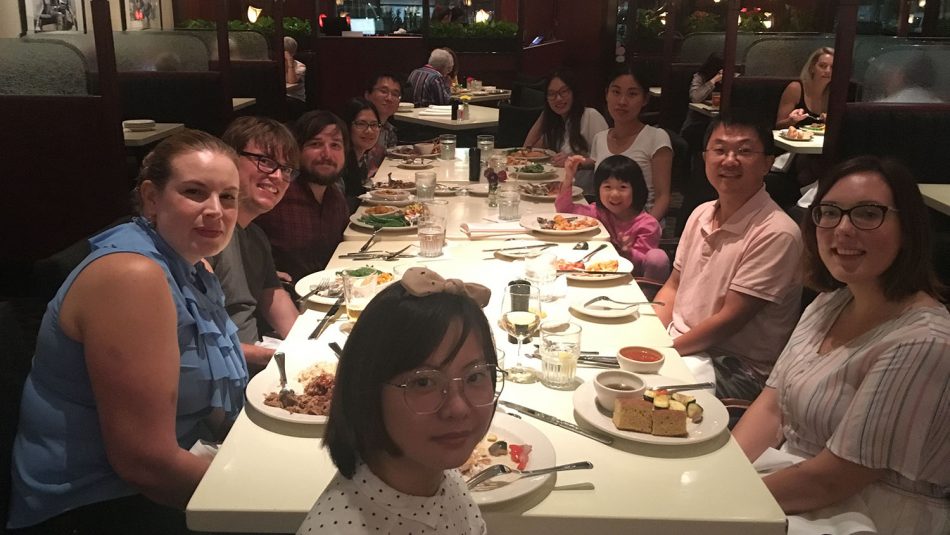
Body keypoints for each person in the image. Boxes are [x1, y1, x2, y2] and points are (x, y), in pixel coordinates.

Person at [7, 130, 247, 533]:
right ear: (152, 198)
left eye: (228, 197)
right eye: (194, 192)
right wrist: (267, 498)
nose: (216, 210)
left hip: (165, 473)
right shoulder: (132, 277)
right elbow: (146, 466)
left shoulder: (191, 262)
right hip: (96, 506)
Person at [732, 156, 949, 534]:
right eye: (829, 212)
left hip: (870, 516)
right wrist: (721, 474)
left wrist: (726, 498)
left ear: (908, 229)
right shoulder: (830, 302)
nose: (843, 229)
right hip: (790, 492)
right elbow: (770, 408)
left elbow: (834, 479)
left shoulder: (924, 342)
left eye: (868, 214)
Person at [297, 267, 498, 534]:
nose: (458, 408)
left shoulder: (437, 475)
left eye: (475, 376)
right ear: (366, 390)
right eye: (423, 382)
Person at [653, 114, 803, 400]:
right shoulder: (701, 213)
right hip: (684, 346)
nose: (730, 160)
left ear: (768, 162)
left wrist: (662, 352)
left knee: (628, 393)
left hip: (734, 370)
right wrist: (649, 334)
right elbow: (673, 286)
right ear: (705, 157)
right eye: (719, 150)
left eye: (745, 151)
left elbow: (729, 320)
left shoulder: (776, 232)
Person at [209, 117, 301, 373]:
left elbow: (273, 294)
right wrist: (275, 357)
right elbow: (197, 343)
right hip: (227, 378)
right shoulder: (205, 237)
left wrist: (306, 346)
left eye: (286, 169)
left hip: (254, 369)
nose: (278, 176)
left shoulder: (255, 236)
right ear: (229, 160)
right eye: (266, 161)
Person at [256, 111, 350, 282]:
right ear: (296, 150)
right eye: (315, 144)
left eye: (335, 145)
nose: (327, 155)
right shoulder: (275, 196)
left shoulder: (335, 198)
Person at [558, 154, 669, 282]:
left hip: (633, 281)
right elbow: (565, 209)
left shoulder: (647, 225)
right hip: (600, 273)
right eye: (607, 187)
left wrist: (627, 251)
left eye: (622, 187)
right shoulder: (599, 213)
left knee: (658, 256)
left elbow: (645, 262)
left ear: (636, 190)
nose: (614, 194)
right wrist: (568, 177)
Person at [590, 64, 673, 222]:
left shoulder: (656, 138)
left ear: (645, 99)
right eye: (616, 92)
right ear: (606, 94)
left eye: (632, 94)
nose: (622, 101)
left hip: (642, 233)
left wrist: (641, 230)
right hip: (606, 228)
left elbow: (663, 197)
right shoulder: (599, 138)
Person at [524, 69, 609, 168]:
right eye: (552, 94)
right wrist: (545, 113)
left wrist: (575, 161)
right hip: (559, 180)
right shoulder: (557, 124)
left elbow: (607, 160)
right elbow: (527, 151)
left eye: (563, 92)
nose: (558, 98)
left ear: (574, 93)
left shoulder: (590, 116)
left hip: (582, 182)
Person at [340, 97, 383, 211]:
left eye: (374, 124)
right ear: (347, 126)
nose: (369, 130)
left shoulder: (360, 160)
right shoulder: (341, 163)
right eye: (361, 124)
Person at [776, 47, 834, 129]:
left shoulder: (835, 93)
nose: (828, 71)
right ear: (812, 68)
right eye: (822, 66)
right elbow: (778, 126)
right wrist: (791, 121)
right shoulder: (795, 88)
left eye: (832, 67)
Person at [680, 52, 724, 153]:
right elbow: (695, 98)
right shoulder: (700, 76)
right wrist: (713, 81)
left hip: (720, 121)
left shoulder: (731, 78)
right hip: (697, 122)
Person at [283, 36, 306, 103]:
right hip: (281, 96)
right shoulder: (276, 64)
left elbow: (292, 81)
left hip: (295, 98)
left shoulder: (300, 66)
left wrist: (290, 63)